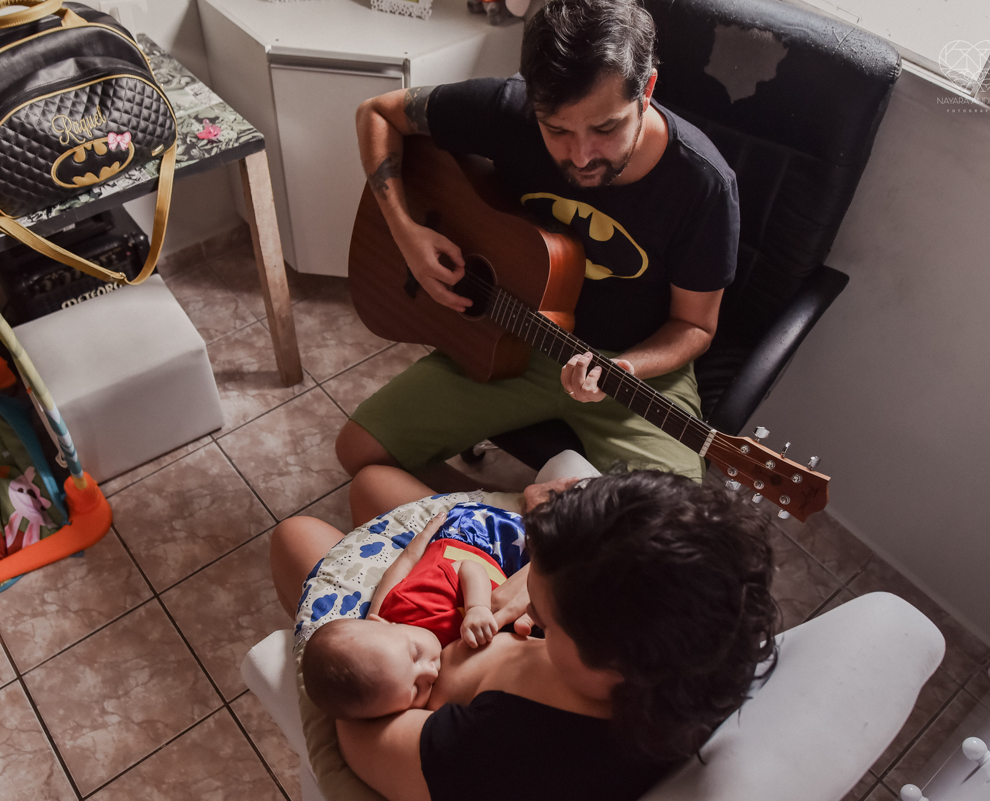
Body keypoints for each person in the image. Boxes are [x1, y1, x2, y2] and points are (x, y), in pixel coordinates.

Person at [337, 0, 741, 489]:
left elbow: (695, 325)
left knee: (664, 533)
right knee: (359, 451)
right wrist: (406, 232)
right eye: (557, 130)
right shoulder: (510, 110)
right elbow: (376, 113)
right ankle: (498, 531)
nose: (582, 156)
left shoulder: (704, 185)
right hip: (512, 339)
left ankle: (544, 543)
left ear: (648, 90)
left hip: (634, 367)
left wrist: (625, 368)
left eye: (606, 127)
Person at [270, 464, 779, 801]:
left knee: (296, 536)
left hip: (401, 654)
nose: (531, 603)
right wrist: (534, 559)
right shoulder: (701, 626)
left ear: (609, 660)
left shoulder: (511, 755)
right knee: (374, 483)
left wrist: (380, 630)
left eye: (546, 613)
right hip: (452, 607)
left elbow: (362, 728)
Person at [302, 505, 520, 720]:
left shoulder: (416, 602)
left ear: (385, 622)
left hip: (480, 541)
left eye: (416, 653)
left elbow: (469, 567)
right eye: (416, 689)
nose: (431, 671)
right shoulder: (396, 679)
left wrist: (477, 608)